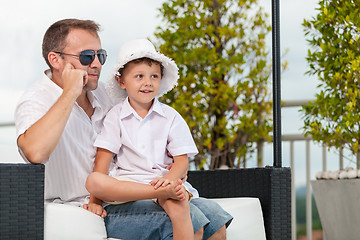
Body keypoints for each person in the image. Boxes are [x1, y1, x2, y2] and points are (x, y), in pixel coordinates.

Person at [14, 18, 231, 239]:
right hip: (86, 205)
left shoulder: (101, 93)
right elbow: (35, 152)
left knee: (214, 217)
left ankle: (161, 192)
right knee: (190, 220)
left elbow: (139, 120)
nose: (97, 64)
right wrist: (70, 92)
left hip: (129, 192)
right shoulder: (36, 100)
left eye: (101, 56)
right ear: (55, 60)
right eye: (87, 56)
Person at [85, 39, 233, 240]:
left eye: (154, 76)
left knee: (215, 219)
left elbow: (182, 162)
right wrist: (95, 201)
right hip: (133, 188)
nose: (148, 82)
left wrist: (168, 183)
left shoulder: (170, 116)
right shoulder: (115, 116)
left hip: (167, 184)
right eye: (139, 76)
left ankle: (169, 198)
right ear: (122, 81)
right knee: (94, 180)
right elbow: (102, 162)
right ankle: (169, 200)